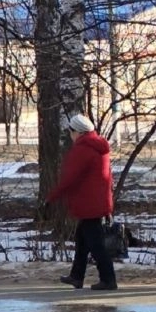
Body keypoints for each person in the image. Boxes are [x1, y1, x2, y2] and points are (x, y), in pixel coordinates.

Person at [47, 113, 117, 291]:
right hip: (98, 201)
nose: (70, 136)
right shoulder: (99, 147)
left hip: (89, 204)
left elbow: (70, 178)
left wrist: (52, 197)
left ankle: (108, 280)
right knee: (82, 239)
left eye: (71, 132)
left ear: (76, 132)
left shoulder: (82, 149)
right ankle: (76, 276)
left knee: (95, 244)